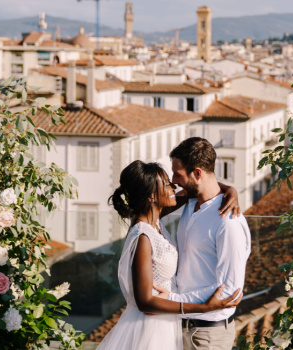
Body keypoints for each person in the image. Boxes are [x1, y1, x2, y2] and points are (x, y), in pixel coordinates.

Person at [96, 160, 243, 350]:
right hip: (149, 328)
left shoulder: (154, 219)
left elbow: (194, 189)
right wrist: (204, 307)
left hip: (165, 323)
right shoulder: (143, 236)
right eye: (166, 183)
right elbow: (145, 302)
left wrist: (229, 189)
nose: (173, 186)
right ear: (150, 196)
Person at [155, 137, 252, 350]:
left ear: (197, 173)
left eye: (178, 174)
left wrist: (173, 299)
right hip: (180, 326)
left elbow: (230, 291)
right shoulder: (190, 202)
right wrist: (229, 188)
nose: (174, 181)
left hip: (208, 335)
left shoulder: (228, 222)